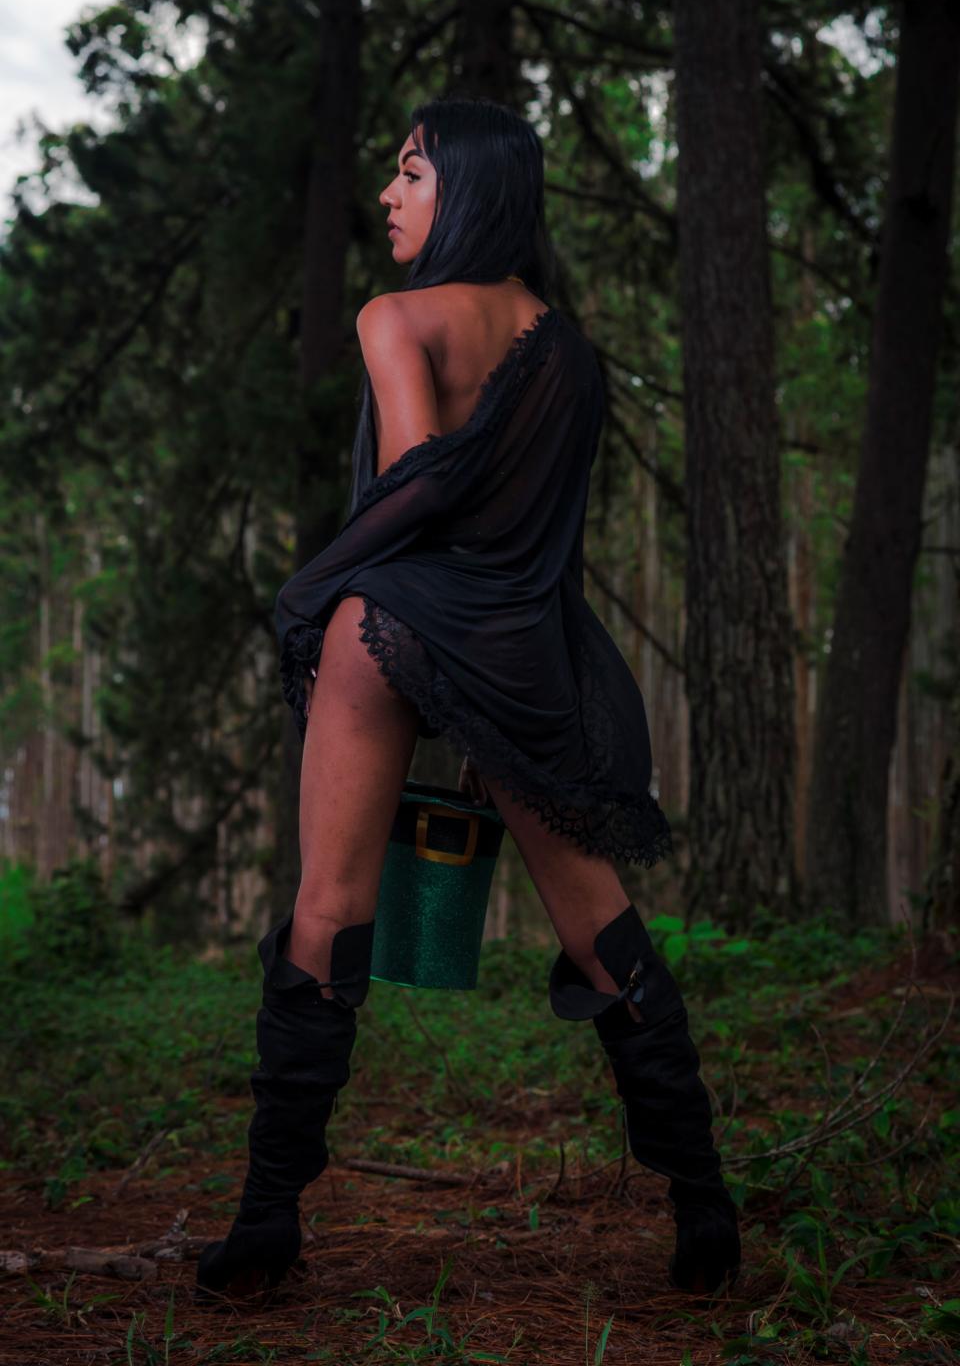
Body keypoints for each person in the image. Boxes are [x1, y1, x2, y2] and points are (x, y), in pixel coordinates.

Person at [195, 96, 741, 1304]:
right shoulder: (568, 350)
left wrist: (312, 588)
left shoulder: (395, 317)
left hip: (393, 625)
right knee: (601, 928)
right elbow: (536, 541)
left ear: (471, 191)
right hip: (521, 648)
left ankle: (267, 1224)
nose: (389, 195)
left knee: (328, 909)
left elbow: (414, 483)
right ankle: (703, 1207)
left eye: (411, 174)